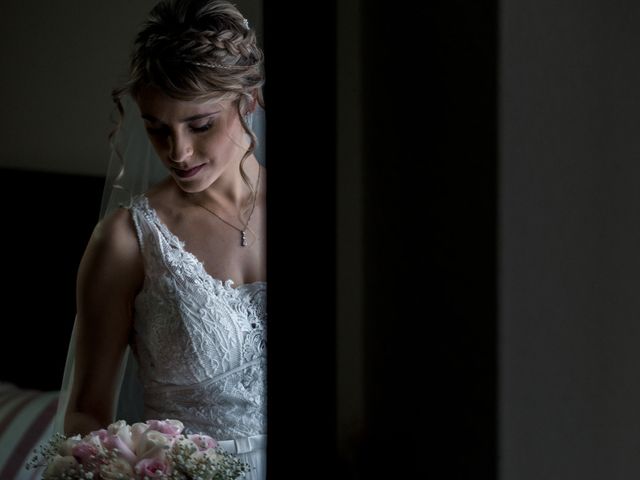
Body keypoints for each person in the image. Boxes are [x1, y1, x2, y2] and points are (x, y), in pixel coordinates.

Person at [55, 0, 267, 477]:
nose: (179, 151)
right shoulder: (126, 240)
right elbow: (87, 414)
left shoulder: (344, 218)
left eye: (200, 124)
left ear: (248, 101)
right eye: (156, 128)